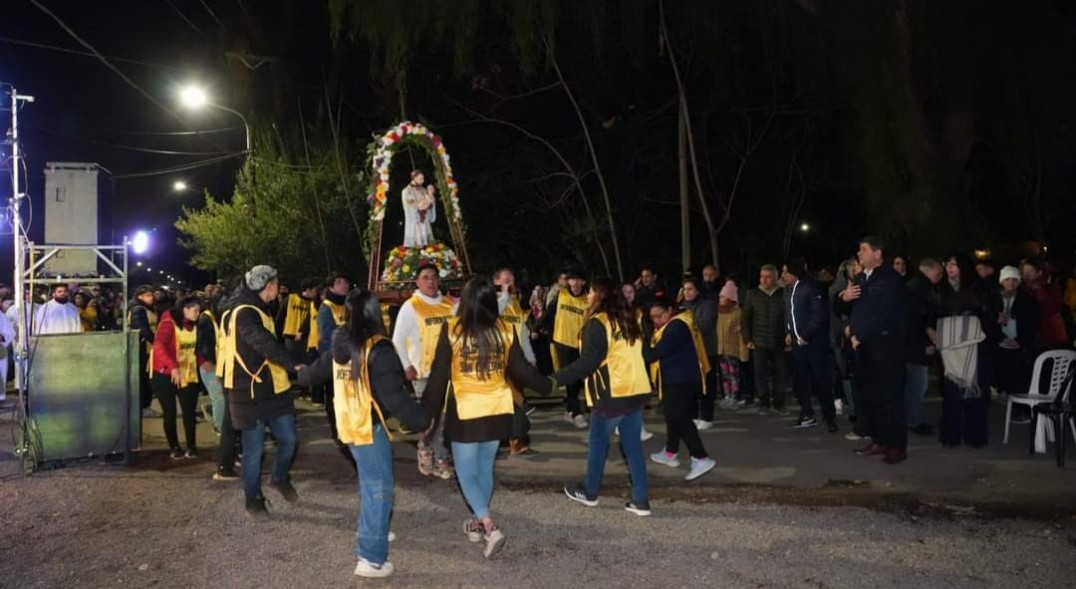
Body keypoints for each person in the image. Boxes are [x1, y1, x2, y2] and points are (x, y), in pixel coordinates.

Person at [299, 288, 430, 578]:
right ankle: (370, 558)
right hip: (367, 426)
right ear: (373, 312)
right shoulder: (378, 347)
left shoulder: (341, 341)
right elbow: (395, 398)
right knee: (379, 487)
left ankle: (376, 529)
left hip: (346, 423)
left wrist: (298, 373)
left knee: (370, 482)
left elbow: (316, 372)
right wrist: (423, 421)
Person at [421, 276, 554, 559]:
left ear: (465, 301)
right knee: (484, 470)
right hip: (497, 410)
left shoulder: (452, 330)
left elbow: (438, 378)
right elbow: (522, 370)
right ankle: (480, 523)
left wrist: (425, 415)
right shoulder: (504, 329)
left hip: (466, 412)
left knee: (466, 473)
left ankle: (491, 527)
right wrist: (547, 386)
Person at [558, 278, 652, 516]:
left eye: (591, 291)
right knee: (632, 448)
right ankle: (641, 500)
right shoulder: (631, 318)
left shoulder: (598, 323)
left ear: (600, 295)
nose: (588, 295)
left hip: (612, 394)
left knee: (598, 444)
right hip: (636, 391)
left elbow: (588, 362)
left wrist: (556, 379)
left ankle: (590, 492)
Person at [218, 265, 302, 516]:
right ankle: (253, 497)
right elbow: (261, 342)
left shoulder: (253, 306)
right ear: (271, 287)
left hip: (273, 388)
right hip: (247, 391)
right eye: (277, 286)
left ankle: (279, 477)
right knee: (254, 450)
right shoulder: (244, 312)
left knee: (289, 438)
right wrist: (292, 363)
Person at [841, 236, 908, 464]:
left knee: (890, 398)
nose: (859, 253)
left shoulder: (890, 279)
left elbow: (886, 314)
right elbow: (848, 307)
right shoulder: (861, 277)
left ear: (877, 254)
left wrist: (861, 334)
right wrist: (844, 297)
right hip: (864, 349)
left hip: (885, 348)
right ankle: (880, 440)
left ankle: (896, 446)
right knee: (872, 398)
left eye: (863, 249)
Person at [392, 264, 456, 478]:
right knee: (430, 418)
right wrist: (406, 365)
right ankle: (428, 451)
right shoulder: (412, 306)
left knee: (446, 417)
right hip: (424, 370)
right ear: (417, 281)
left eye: (434, 277)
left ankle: (437, 453)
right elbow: (397, 339)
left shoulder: (449, 304)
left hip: (449, 371)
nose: (430, 281)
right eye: (425, 277)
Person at [645, 297, 716, 481]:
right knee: (671, 414)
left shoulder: (676, 327)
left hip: (681, 379)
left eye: (659, 315)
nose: (656, 320)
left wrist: (643, 341)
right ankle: (670, 451)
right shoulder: (677, 323)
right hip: (676, 377)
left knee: (680, 417)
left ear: (669, 310)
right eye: (652, 317)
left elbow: (654, 354)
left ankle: (700, 457)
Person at [936, 254, 995, 449]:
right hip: (949, 348)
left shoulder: (977, 288)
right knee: (952, 391)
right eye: (948, 263)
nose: (950, 268)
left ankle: (975, 435)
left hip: (974, 346)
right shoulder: (940, 289)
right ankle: (951, 435)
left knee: (975, 391)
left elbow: (988, 315)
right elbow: (929, 314)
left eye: (954, 264)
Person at [782, 257, 837, 432]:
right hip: (798, 344)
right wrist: (789, 332)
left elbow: (819, 315)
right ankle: (807, 414)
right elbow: (789, 314)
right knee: (800, 381)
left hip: (815, 344)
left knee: (821, 380)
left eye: (785, 271)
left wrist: (806, 335)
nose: (783, 275)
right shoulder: (788, 291)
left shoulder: (811, 288)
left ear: (794, 272)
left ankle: (829, 417)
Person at [493, 267, 539, 457]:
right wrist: (503, 294)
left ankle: (516, 442)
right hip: (497, 359)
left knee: (517, 399)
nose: (510, 283)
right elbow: (492, 313)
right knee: (507, 401)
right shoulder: (492, 300)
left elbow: (521, 332)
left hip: (516, 358)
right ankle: (503, 441)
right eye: (506, 280)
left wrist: (530, 356)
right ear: (496, 281)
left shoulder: (514, 303)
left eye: (512, 279)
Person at [150, 296, 203, 459]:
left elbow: (198, 349)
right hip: (164, 374)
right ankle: (174, 446)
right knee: (170, 412)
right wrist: (173, 366)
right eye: (194, 310)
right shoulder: (167, 324)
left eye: (199, 310)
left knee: (189, 411)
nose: (198, 313)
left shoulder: (197, 324)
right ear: (184, 310)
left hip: (188, 372)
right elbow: (159, 346)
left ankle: (192, 446)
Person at [537, 268, 590, 428]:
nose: (574, 283)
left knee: (577, 377)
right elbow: (548, 314)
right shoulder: (561, 296)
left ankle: (569, 409)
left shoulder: (588, 300)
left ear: (583, 282)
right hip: (562, 342)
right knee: (571, 376)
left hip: (580, 344)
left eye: (577, 279)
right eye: (571, 279)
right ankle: (576, 412)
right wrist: (535, 328)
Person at [904, 258, 943, 437]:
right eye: (938, 272)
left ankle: (912, 419)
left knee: (914, 384)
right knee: (917, 385)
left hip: (912, 344)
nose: (940, 276)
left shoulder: (914, 285)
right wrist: (927, 340)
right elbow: (918, 319)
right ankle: (914, 420)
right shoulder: (921, 288)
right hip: (916, 345)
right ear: (929, 271)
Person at [741, 265, 787, 413]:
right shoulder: (752, 294)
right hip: (758, 342)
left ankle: (779, 403)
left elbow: (788, 317)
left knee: (780, 373)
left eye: (768, 277)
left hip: (779, 341)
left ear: (775, 277)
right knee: (759, 373)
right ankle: (764, 402)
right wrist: (747, 339)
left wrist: (789, 335)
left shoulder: (783, 294)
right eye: (762, 276)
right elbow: (745, 318)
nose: (764, 280)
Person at [993, 266, 1039, 411]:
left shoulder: (1028, 301)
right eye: (1007, 280)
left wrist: (1019, 341)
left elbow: (1033, 324)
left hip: (1018, 344)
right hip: (1000, 343)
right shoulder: (993, 300)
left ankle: (1019, 408)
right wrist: (1000, 337)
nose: (1011, 283)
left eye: (1014, 280)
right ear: (1002, 281)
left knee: (1018, 376)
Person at [679, 278, 719, 430]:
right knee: (692, 385)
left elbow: (704, 325)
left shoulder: (707, 304)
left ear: (697, 290)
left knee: (707, 385)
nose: (686, 292)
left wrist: (684, 330)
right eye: (684, 289)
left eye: (689, 289)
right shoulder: (683, 305)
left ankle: (707, 416)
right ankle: (694, 414)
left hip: (706, 350)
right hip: (688, 352)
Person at [316, 273, 350, 440]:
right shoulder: (326, 307)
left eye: (345, 281)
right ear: (330, 287)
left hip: (351, 358)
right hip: (332, 357)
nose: (344, 284)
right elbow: (327, 334)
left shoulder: (350, 304)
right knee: (333, 395)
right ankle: (336, 430)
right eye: (339, 282)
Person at [1020, 259, 1068, 351]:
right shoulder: (1022, 290)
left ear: (1039, 272)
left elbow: (1054, 308)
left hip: (1052, 333)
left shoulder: (1051, 288)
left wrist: (1039, 289)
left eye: (1030, 271)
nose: (1026, 274)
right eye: (1024, 272)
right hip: (1031, 336)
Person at [715, 280, 749, 409]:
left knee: (734, 374)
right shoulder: (719, 313)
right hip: (721, 350)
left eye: (723, 297)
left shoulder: (737, 313)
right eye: (720, 297)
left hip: (733, 350)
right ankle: (727, 395)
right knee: (724, 375)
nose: (720, 299)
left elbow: (741, 335)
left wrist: (743, 352)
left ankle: (735, 396)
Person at [129, 285, 160, 417]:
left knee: (146, 378)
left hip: (148, 348)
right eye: (147, 295)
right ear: (139, 296)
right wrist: (157, 342)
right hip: (141, 348)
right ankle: (142, 407)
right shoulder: (138, 310)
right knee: (142, 379)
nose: (151, 297)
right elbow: (142, 330)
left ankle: (144, 405)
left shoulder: (148, 308)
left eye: (151, 294)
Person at [403, 170, 437, 247]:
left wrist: (431, 200)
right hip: (415, 223)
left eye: (423, 179)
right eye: (420, 179)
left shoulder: (424, 190)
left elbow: (430, 204)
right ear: (414, 178)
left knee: (428, 246)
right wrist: (424, 203)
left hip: (425, 221)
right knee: (417, 244)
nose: (423, 181)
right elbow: (414, 206)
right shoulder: (407, 191)